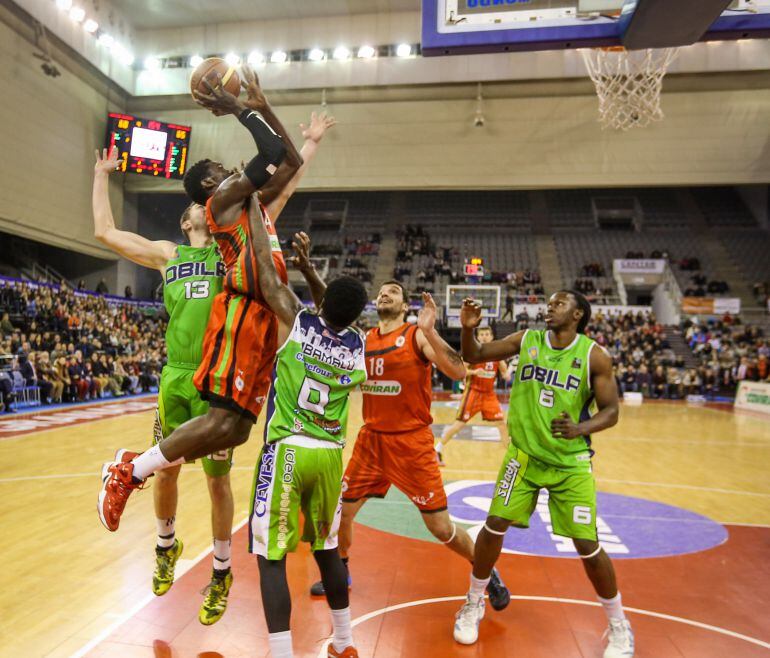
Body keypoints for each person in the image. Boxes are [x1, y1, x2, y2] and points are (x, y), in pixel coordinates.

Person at [97, 70, 332, 553]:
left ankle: (141, 474)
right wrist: (234, 106)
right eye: (221, 168)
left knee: (238, 431)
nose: (229, 168)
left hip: (257, 319)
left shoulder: (252, 204)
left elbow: (285, 162)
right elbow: (270, 160)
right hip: (223, 330)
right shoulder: (221, 205)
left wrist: (266, 110)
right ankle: (135, 475)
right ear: (205, 192)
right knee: (202, 447)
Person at [452, 291, 634, 658]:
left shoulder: (594, 355)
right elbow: (475, 355)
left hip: (570, 463)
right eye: (548, 303)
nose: (549, 308)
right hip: (523, 457)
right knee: (493, 523)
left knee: (587, 544)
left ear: (578, 314)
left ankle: (619, 626)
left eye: (559, 303)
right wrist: (468, 330)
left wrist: (581, 429)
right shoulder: (527, 340)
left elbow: (611, 410)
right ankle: (473, 601)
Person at [309, 281, 510, 611]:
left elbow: (459, 371)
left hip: (411, 444)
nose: (385, 293)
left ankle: (488, 572)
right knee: (341, 513)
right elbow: (329, 312)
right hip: (371, 442)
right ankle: (341, 571)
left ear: (404, 306)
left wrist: (429, 331)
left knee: (441, 528)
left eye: (394, 292)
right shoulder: (364, 340)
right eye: (382, 291)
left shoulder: (416, 335)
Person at [247, 198, 367, 658]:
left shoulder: (297, 323)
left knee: (271, 556)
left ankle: (281, 653)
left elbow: (264, 271)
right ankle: (345, 640)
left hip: (288, 449)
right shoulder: (358, 345)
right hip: (330, 455)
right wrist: (315, 275)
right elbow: (334, 310)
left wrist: (258, 215)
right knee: (327, 549)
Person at [435, 325, 511, 466]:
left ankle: (512, 458)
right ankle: (437, 449)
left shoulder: (498, 355)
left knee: (502, 424)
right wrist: (475, 372)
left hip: (489, 395)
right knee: (459, 425)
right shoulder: (473, 354)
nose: (484, 336)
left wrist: (509, 373)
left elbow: (505, 374)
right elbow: (460, 372)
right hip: (473, 392)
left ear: (492, 336)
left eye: (487, 334)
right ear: (477, 337)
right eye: (481, 334)